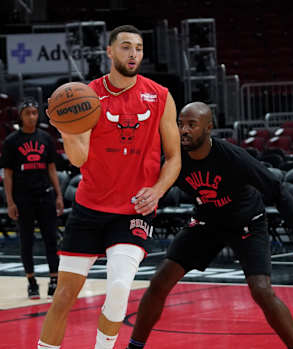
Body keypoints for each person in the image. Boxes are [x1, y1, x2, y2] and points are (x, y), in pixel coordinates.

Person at [126, 102, 293, 349]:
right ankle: (134, 347)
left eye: (192, 124)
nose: (183, 130)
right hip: (206, 222)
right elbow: (145, 186)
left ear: (208, 128)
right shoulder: (175, 159)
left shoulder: (233, 157)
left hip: (246, 223)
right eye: (180, 124)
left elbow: (278, 191)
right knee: (159, 281)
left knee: (261, 291)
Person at [37, 25, 181, 349]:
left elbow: (174, 158)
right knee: (63, 296)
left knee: (118, 287)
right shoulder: (85, 96)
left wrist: (157, 191)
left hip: (132, 210)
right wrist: (66, 131)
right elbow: (78, 158)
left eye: (139, 48)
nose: (134, 54)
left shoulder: (160, 96)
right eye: (126, 47)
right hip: (89, 207)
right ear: (110, 51)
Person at [0, 97, 64, 299]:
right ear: (20, 116)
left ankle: (54, 279)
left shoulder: (46, 138)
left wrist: (59, 195)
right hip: (23, 198)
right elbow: (8, 174)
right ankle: (31, 281)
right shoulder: (11, 142)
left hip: (45, 195)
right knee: (26, 241)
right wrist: (10, 201)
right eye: (27, 113)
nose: (32, 117)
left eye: (35, 113)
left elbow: (52, 169)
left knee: (51, 239)